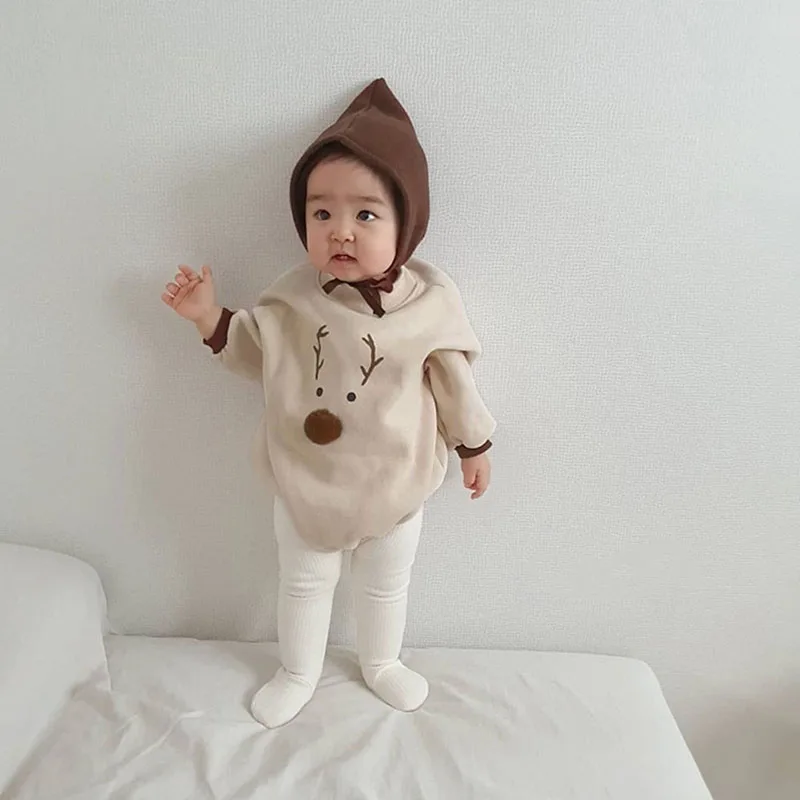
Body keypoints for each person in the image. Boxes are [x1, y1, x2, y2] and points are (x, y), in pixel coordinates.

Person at [161, 78, 496, 728]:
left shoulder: (430, 307)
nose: (340, 231)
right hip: (308, 483)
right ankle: (297, 671)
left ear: (407, 222)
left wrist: (474, 445)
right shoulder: (292, 300)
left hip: (395, 483)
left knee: (386, 582)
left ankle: (382, 662)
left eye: (365, 215)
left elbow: (454, 384)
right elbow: (256, 352)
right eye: (321, 214)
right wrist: (208, 318)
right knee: (304, 581)